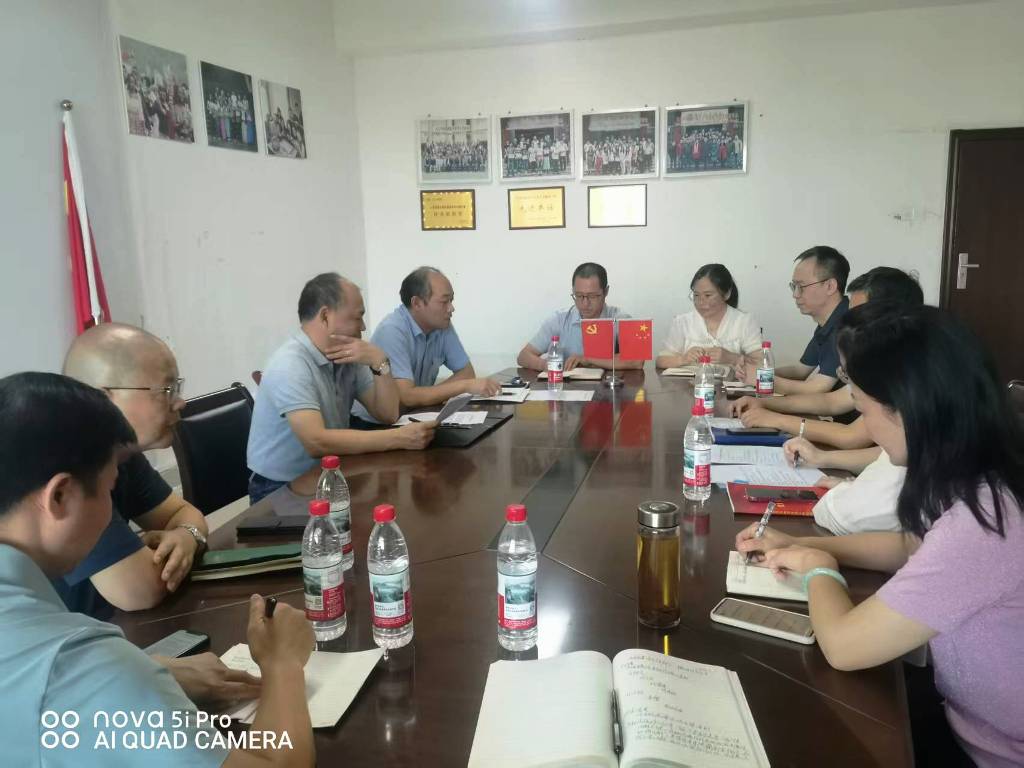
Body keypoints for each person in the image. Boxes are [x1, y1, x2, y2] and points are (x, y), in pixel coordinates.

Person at [736, 304, 1024, 768]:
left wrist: (818, 568)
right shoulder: (974, 474)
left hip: (990, 752)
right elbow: (911, 547)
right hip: (963, 716)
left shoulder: (987, 520)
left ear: (908, 410)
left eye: (865, 409)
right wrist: (802, 544)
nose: (865, 428)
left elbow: (845, 647)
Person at [0, 372, 315, 767]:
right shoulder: (76, 664)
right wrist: (282, 663)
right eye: (109, 491)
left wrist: (153, 671)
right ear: (60, 496)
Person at [60, 323, 209, 619]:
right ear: (102, 399)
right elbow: (141, 590)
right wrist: (184, 542)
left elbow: (184, 513)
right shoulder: (69, 471)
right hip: (59, 643)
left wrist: (185, 536)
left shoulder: (123, 455)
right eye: (166, 390)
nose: (180, 402)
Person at [247, 273, 435, 504]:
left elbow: (387, 414)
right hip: (281, 488)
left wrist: (381, 362)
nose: (363, 326)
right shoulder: (290, 364)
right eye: (358, 317)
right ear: (325, 316)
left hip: (328, 475)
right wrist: (399, 438)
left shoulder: (346, 355)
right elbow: (316, 441)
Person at [733, 267, 924, 446]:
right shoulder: (874, 355)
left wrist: (775, 418)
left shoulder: (907, 367)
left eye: (858, 315)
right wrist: (764, 403)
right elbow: (831, 401)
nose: (851, 322)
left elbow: (850, 436)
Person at [352, 267, 500, 424]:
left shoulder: (442, 325)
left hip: (416, 415)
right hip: (373, 425)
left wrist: (426, 396)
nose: (451, 308)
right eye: (444, 301)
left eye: (451, 300)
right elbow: (406, 396)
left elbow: (467, 372)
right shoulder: (392, 330)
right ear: (417, 303)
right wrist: (464, 386)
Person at [738, 245, 851, 395]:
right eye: (794, 286)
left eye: (801, 286)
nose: (795, 295)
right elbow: (801, 370)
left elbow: (817, 388)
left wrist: (762, 378)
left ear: (830, 286)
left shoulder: (847, 324)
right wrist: (758, 372)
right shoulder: (827, 323)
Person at [517, 262, 640, 371]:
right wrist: (546, 365)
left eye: (592, 296)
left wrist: (587, 359)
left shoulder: (622, 319)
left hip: (607, 388)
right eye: (579, 296)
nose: (585, 303)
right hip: (567, 387)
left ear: (606, 291)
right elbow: (523, 356)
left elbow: (637, 361)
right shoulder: (559, 319)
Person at [655, 264, 762, 369]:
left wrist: (732, 358)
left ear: (726, 294)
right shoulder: (682, 322)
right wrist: (683, 359)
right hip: (691, 381)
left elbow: (762, 363)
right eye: (696, 295)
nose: (701, 302)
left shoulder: (744, 321)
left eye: (708, 295)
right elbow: (660, 361)